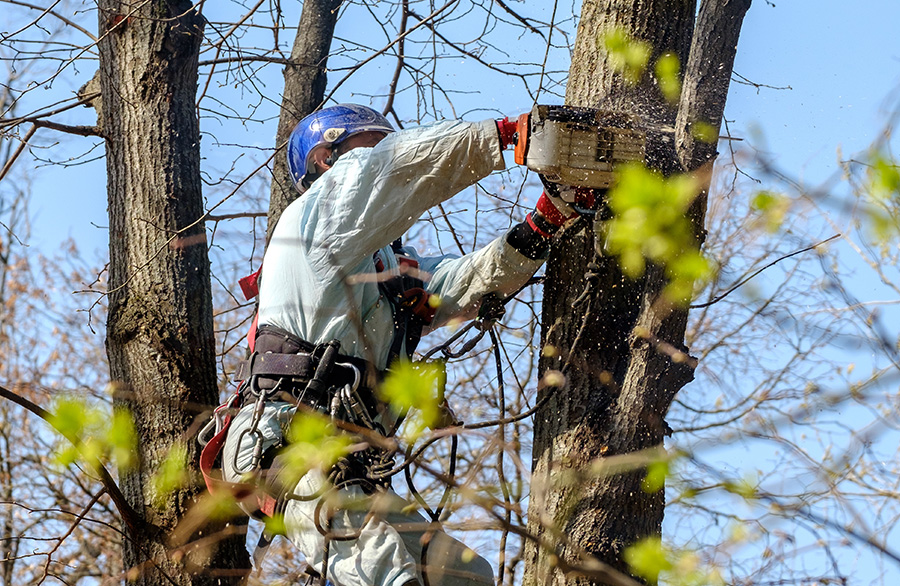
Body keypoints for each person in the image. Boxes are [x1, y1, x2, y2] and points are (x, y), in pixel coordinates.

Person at [220, 104, 578, 586]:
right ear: (327, 158)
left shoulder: (384, 268)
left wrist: (544, 223)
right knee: (385, 572)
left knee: (465, 578)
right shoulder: (315, 218)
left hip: (351, 464)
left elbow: (463, 284)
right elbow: (392, 169)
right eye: (372, 143)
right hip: (288, 445)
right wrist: (510, 137)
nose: (386, 151)